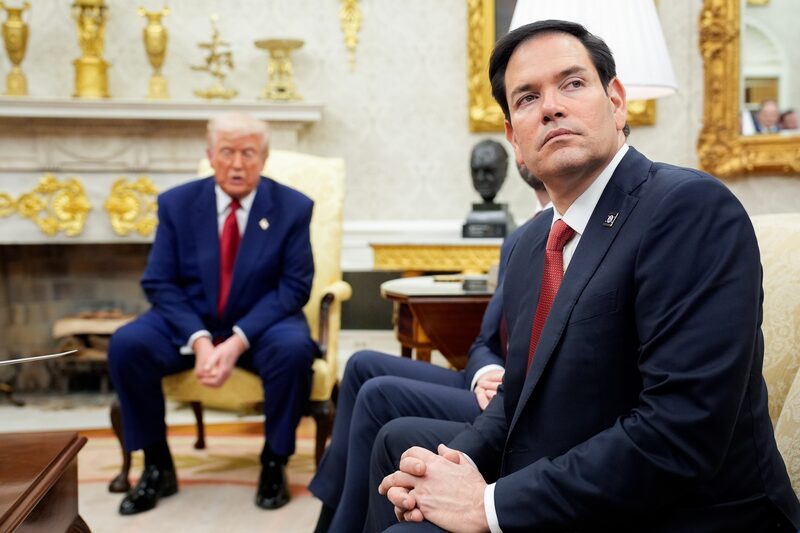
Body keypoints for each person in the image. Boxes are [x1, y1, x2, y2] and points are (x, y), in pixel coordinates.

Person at [371, 20, 800, 532]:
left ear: (616, 102)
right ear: (514, 138)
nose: (551, 106)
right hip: (570, 485)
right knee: (405, 471)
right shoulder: (533, 245)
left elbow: (678, 434)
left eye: (572, 83)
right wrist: (447, 473)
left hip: (683, 515)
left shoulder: (688, 209)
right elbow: (515, 401)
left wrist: (487, 506)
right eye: (527, 98)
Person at [309, 165, 551, 533]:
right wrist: (487, 373)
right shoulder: (519, 238)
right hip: (487, 384)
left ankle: (335, 521)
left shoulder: (584, 235)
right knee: (360, 365)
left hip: (514, 400)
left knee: (378, 397)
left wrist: (508, 383)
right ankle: (334, 506)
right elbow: (484, 342)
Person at [107, 112, 318, 515]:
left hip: (262, 323)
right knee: (127, 345)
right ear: (210, 155)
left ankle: (273, 461)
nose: (237, 164)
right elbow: (159, 282)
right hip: (190, 322)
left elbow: (294, 287)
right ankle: (156, 464)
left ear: (264, 157)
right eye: (227, 152)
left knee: (294, 350)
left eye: (248, 153)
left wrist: (238, 340)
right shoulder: (177, 204)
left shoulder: (292, 208)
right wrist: (200, 340)